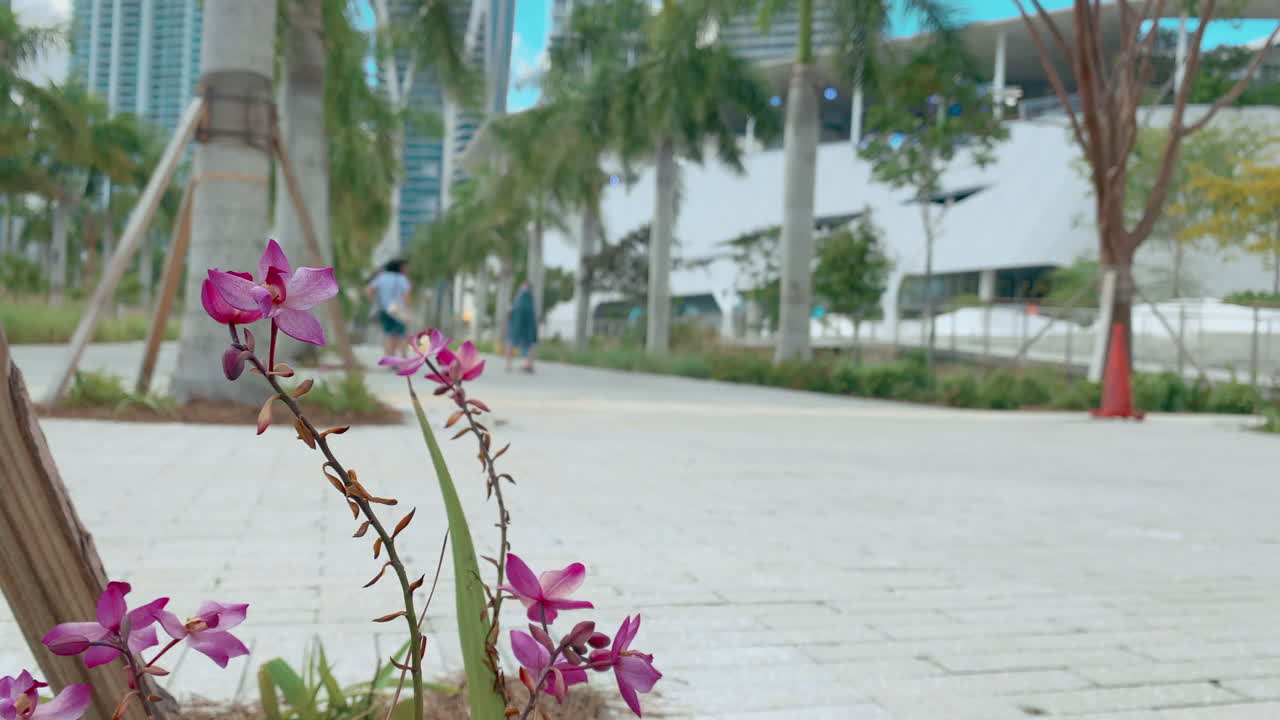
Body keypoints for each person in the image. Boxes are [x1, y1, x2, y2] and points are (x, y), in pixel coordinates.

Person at [366, 258, 411, 356]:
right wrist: (407, 309)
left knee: (388, 335)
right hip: (398, 310)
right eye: (405, 267)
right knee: (401, 335)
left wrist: (376, 301)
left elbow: (369, 290)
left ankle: (390, 361)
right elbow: (406, 296)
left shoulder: (381, 277)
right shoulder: (402, 278)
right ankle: (403, 360)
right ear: (399, 267)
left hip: (384, 309)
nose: (407, 269)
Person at [506, 281, 538, 373]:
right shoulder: (530, 299)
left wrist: (509, 323)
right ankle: (529, 364)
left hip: (516, 324)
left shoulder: (519, 298)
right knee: (530, 343)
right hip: (528, 325)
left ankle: (509, 365)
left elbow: (510, 312)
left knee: (511, 342)